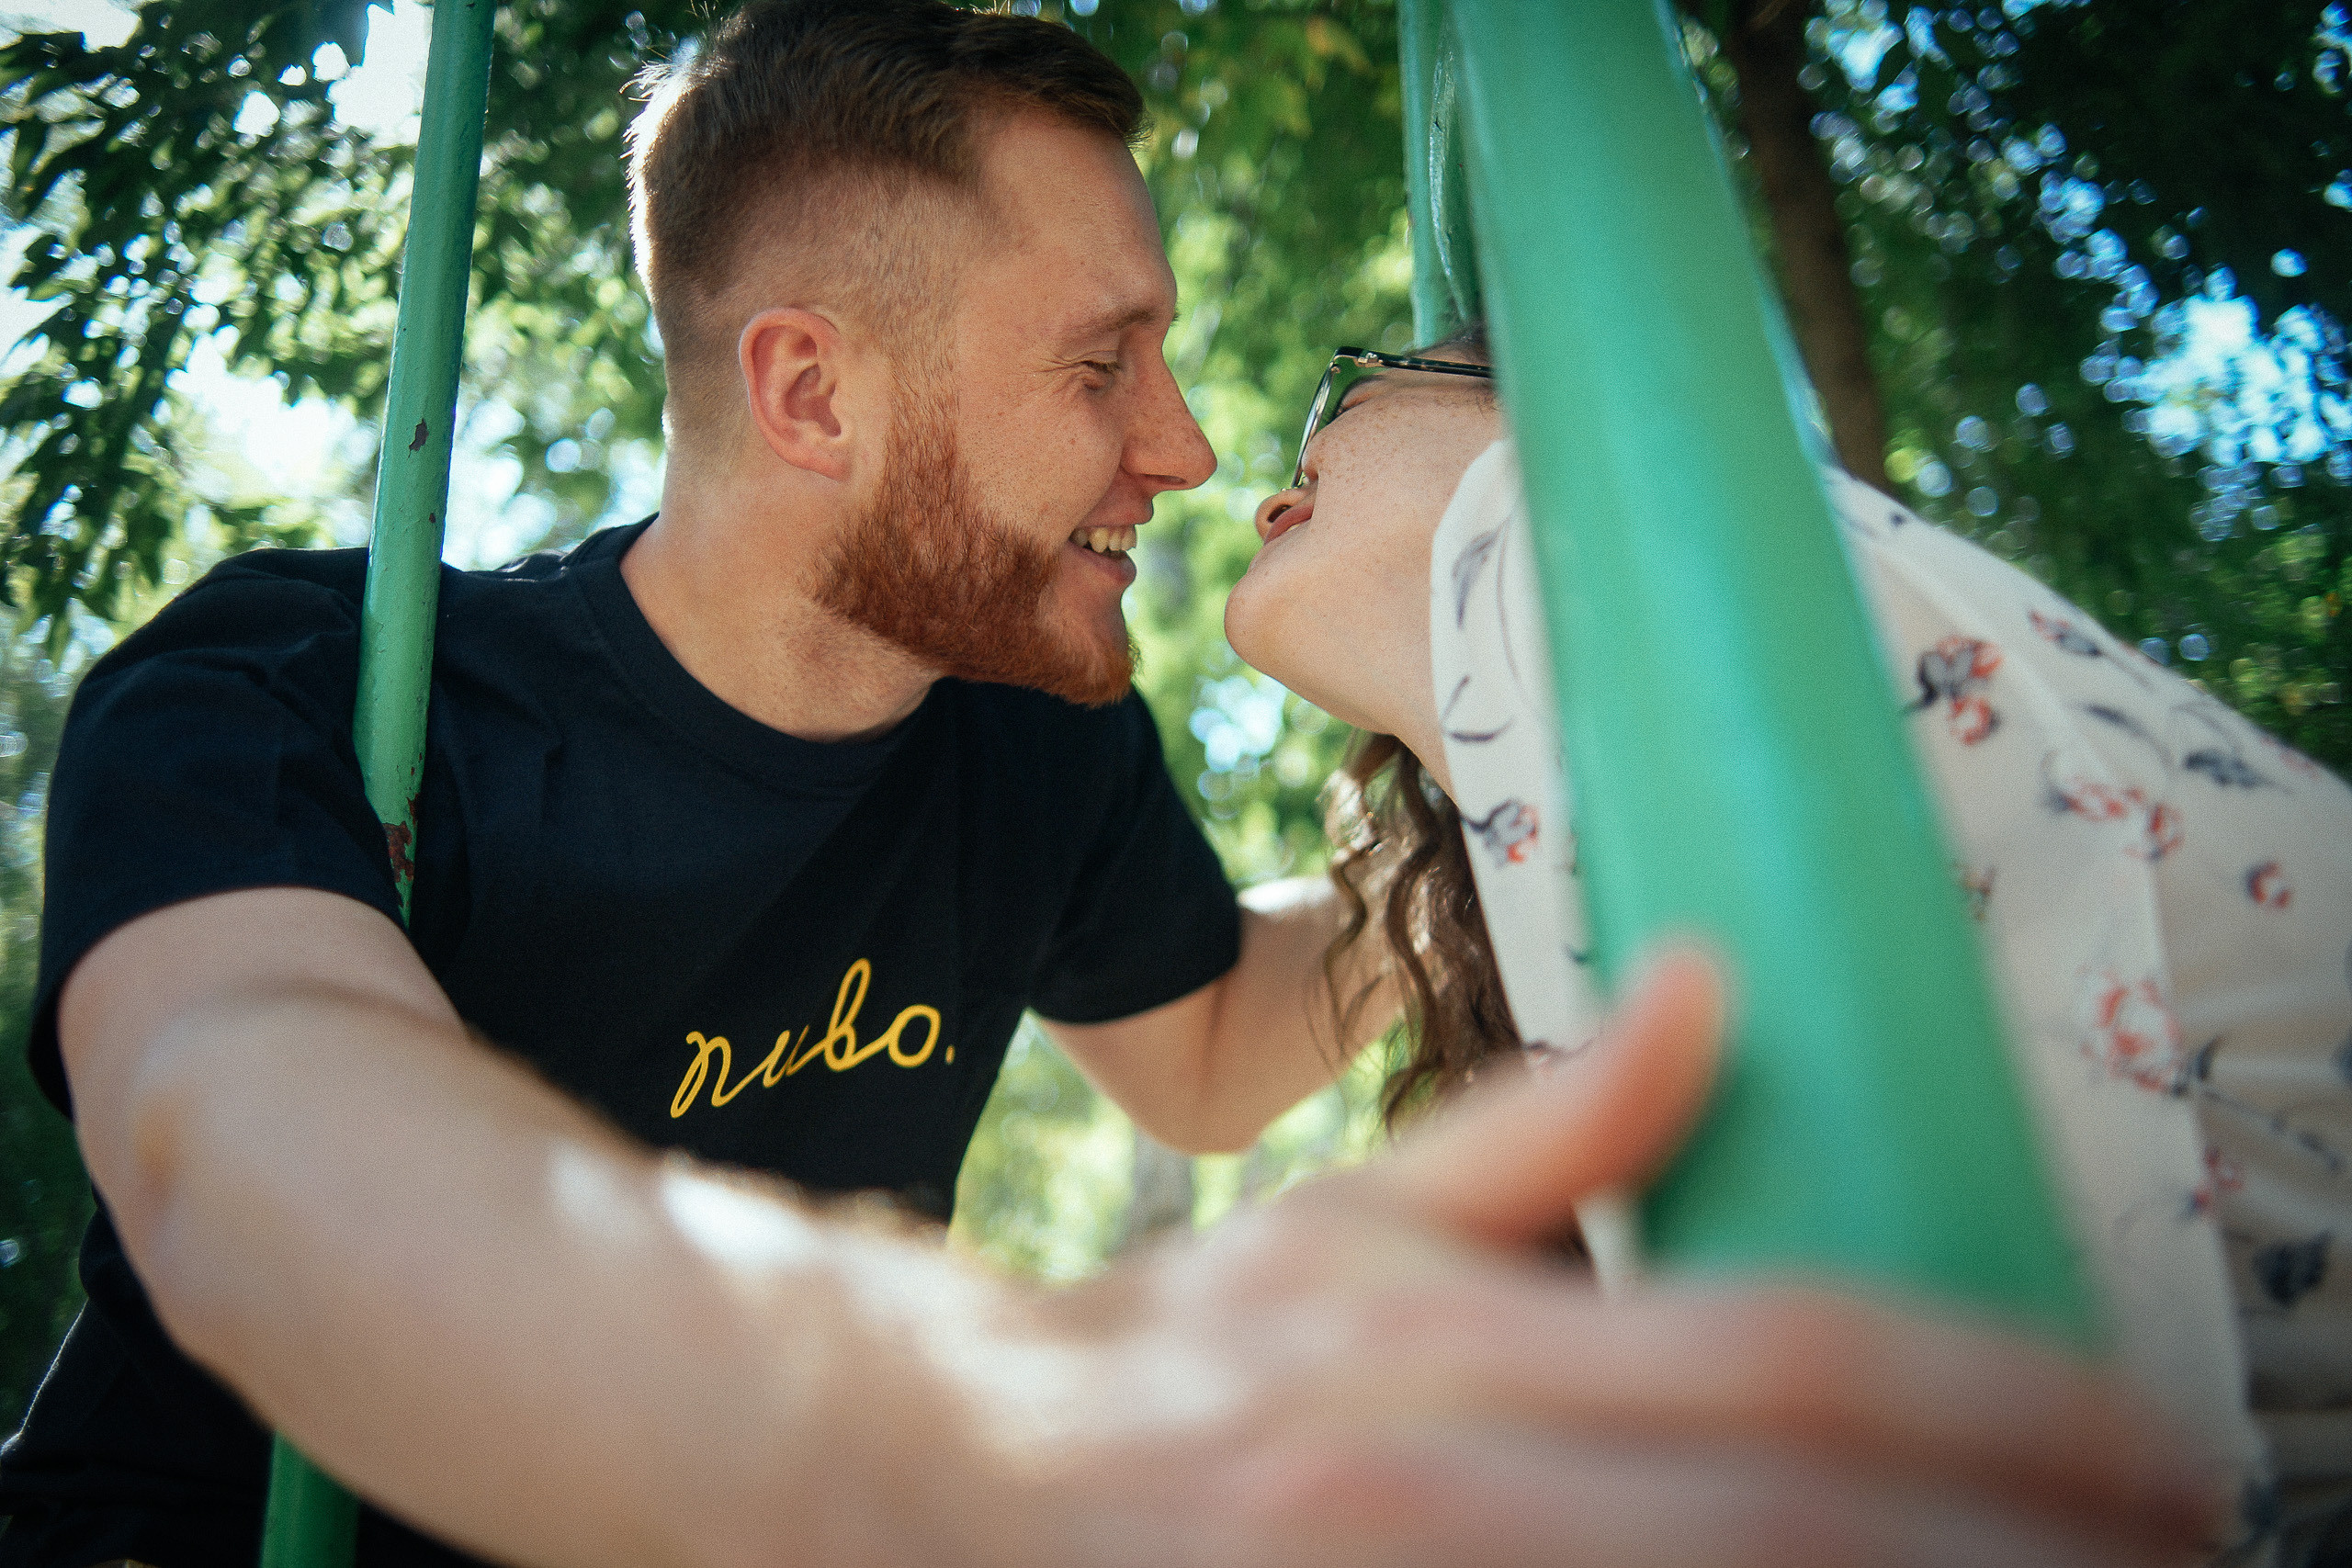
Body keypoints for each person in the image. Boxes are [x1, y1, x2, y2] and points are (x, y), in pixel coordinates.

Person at [0, 4, 2222, 1563]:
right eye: (1100, 361)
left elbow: (1215, 1050)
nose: (1184, 442)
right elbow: (239, 1124)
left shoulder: (1031, 740)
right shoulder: (314, 683)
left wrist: (1528, 763)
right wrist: (947, 1424)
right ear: (809, 393)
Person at [1225, 324, 2352, 1565]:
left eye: (1343, 399)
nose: (1273, 494)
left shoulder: (1691, 580)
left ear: (1541, 397)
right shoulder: (1600, 843)